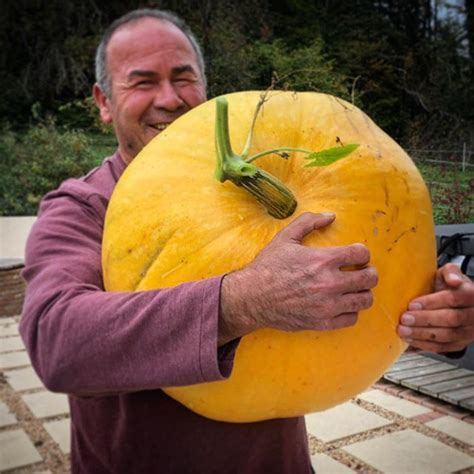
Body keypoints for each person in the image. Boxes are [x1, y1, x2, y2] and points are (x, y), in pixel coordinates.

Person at [19, 8, 474, 474]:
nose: (170, 98)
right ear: (103, 100)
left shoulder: (273, 168)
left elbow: (363, 301)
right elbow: (58, 344)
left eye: (183, 77)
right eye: (142, 82)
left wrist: (433, 321)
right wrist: (241, 302)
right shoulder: (82, 206)